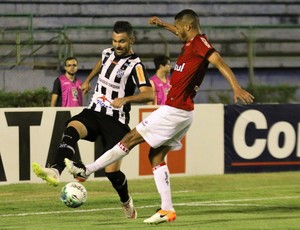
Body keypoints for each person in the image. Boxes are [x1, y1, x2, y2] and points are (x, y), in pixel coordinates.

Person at [66, 9, 255, 224]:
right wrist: (162, 24)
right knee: (155, 157)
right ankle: (167, 209)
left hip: (174, 110)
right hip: (184, 112)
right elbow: (178, 31)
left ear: (188, 28)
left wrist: (236, 87)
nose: (177, 33)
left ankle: (86, 170)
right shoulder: (190, 41)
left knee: (129, 140)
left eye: (179, 29)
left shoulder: (200, 43)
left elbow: (219, 62)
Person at [32, 21, 154, 219]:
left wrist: (126, 99)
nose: (117, 45)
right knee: (71, 128)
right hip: (95, 111)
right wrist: (88, 80)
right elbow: (101, 63)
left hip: (116, 121)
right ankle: (55, 170)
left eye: (122, 41)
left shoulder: (136, 66)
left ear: (132, 40)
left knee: (111, 172)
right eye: (114, 41)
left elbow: (149, 94)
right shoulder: (107, 52)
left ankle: (126, 203)